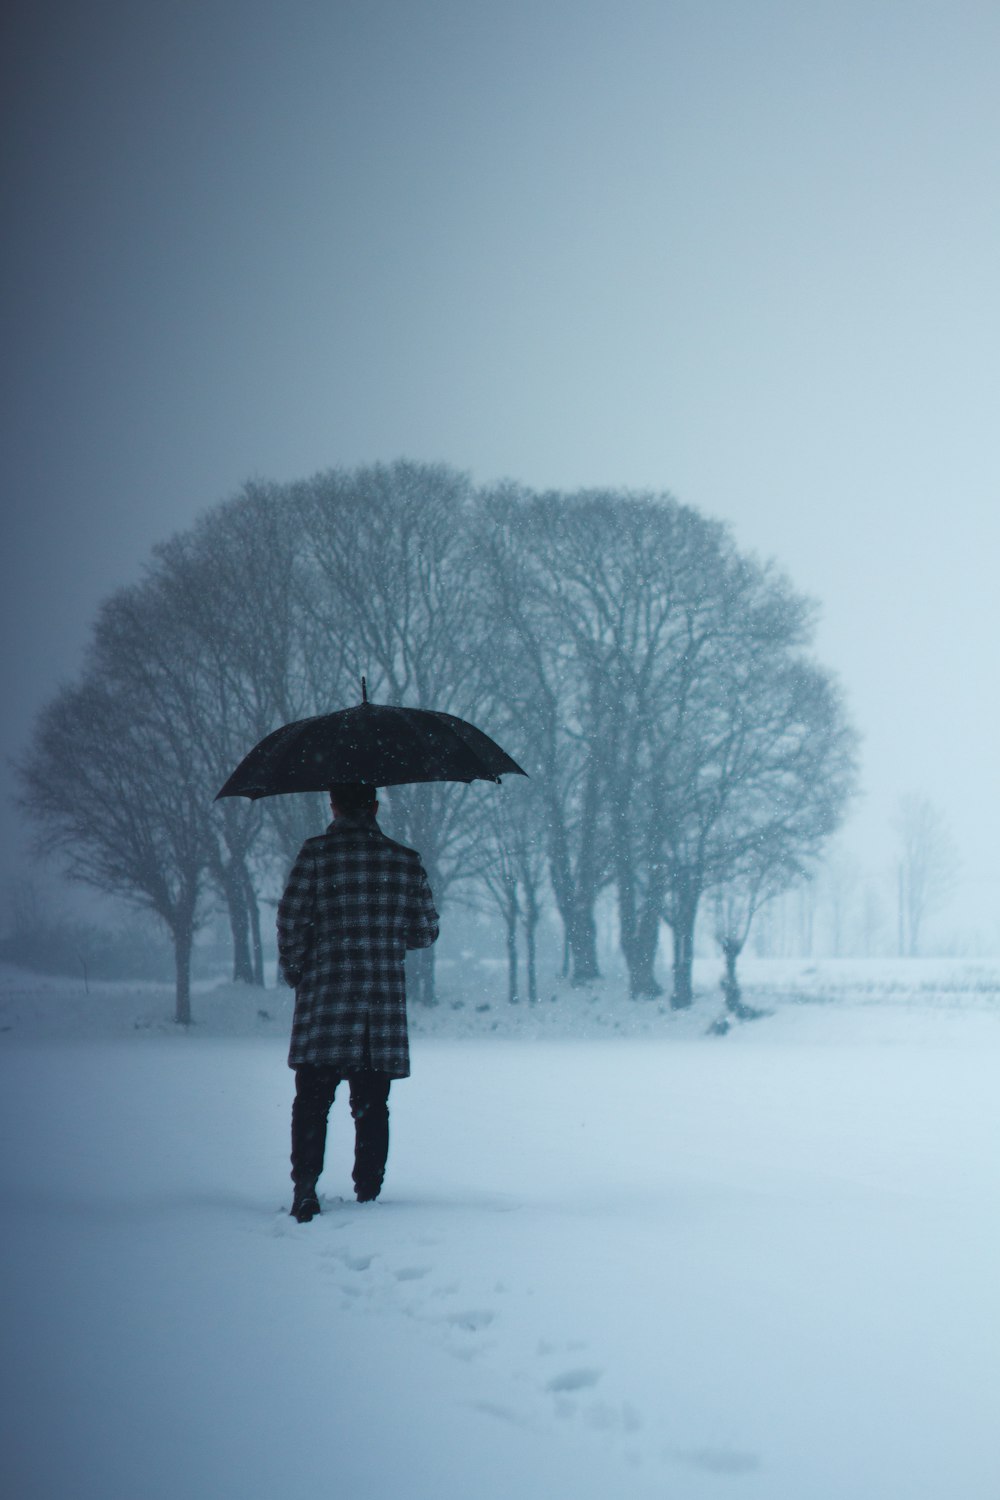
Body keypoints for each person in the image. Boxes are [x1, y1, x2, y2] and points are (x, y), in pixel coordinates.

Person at [277, 782, 439, 1222]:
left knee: (312, 1101)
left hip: (325, 1001)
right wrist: (388, 933)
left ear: (333, 805)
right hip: (378, 1007)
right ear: (374, 807)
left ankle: (306, 1189)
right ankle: (368, 1191)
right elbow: (425, 932)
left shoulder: (316, 856)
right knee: (371, 1105)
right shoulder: (404, 863)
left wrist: (297, 969)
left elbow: (290, 920)